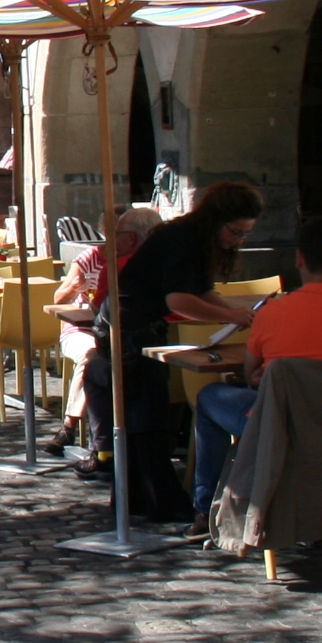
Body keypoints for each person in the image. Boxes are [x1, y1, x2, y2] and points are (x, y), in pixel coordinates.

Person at [188, 215, 322, 526]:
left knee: (209, 396)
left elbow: (251, 371)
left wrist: (267, 375)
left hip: (281, 427)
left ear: (299, 258)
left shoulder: (274, 313)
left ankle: (205, 509)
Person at [85, 180, 263, 522]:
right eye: (236, 232)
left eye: (245, 234)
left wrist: (234, 312)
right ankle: (158, 503)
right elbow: (179, 300)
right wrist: (229, 315)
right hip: (127, 326)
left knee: (144, 414)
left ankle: (138, 499)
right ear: (217, 220)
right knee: (146, 416)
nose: (237, 241)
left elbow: (201, 291)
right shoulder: (182, 239)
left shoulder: (194, 239)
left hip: (135, 322)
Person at [54, 207, 161, 448]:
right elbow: (58, 299)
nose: (112, 239)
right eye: (109, 233)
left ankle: (103, 445)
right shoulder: (90, 258)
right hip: (81, 329)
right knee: (92, 357)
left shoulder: (127, 264)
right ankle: (70, 425)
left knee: (101, 359)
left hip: (111, 331)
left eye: (118, 233)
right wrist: (73, 289)